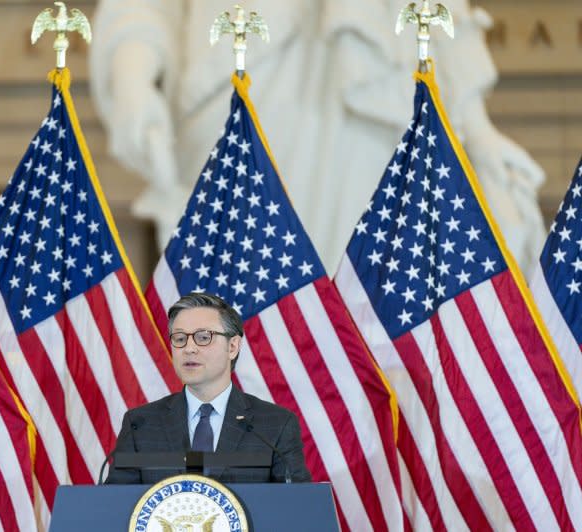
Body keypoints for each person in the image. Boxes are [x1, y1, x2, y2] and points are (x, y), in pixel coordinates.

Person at [90, 0, 546, 274]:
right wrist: (132, 73)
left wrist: (475, 126)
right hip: (235, 84)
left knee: (363, 315)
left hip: (364, 95)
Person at [105, 292, 311, 484]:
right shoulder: (140, 424)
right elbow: (114, 507)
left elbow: (295, 508)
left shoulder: (275, 425)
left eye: (203, 337)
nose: (189, 348)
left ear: (232, 347)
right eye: (179, 339)